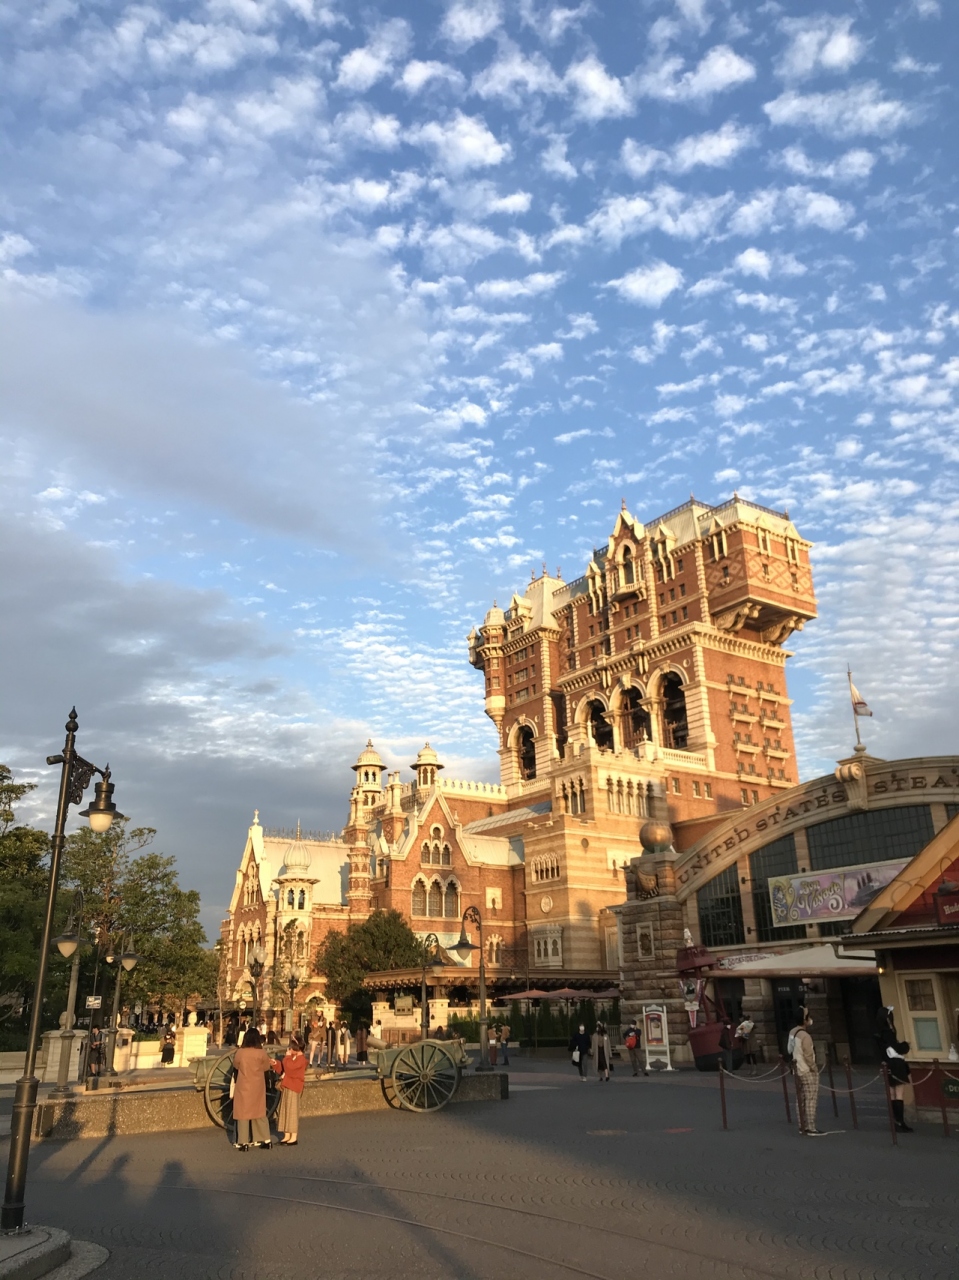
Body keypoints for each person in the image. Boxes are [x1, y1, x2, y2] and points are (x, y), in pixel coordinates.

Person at [232, 1027, 272, 1150]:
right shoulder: (261, 1052)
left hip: (244, 1084)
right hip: (258, 1085)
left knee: (242, 1113)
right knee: (259, 1112)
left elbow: (236, 1065)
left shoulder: (241, 1052)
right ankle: (265, 1139)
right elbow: (266, 1067)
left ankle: (243, 1142)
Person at [876, 1006, 913, 1133]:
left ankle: (895, 1121)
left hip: (887, 1063)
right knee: (899, 1093)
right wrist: (906, 1045)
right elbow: (897, 1048)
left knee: (891, 1093)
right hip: (896, 1064)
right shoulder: (889, 1032)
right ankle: (900, 1121)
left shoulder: (878, 1032)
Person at [788, 1008, 822, 1136]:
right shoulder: (805, 1036)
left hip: (796, 1069)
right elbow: (808, 1055)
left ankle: (802, 1125)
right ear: (804, 1019)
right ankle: (810, 1127)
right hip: (807, 1070)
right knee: (811, 1098)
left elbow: (789, 1049)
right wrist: (814, 1067)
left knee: (800, 1098)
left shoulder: (793, 1032)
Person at [272, 1033, 306, 1146]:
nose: (289, 1049)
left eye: (291, 1048)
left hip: (294, 1086)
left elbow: (289, 1068)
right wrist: (275, 1063)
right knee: (285, 1110)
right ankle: (286, 1135)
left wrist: (286, 1057)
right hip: (287, 1085)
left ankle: (293, 1137)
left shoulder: (302, 1060)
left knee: (292, 1111)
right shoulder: (293, 1057)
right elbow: (283, 1067)